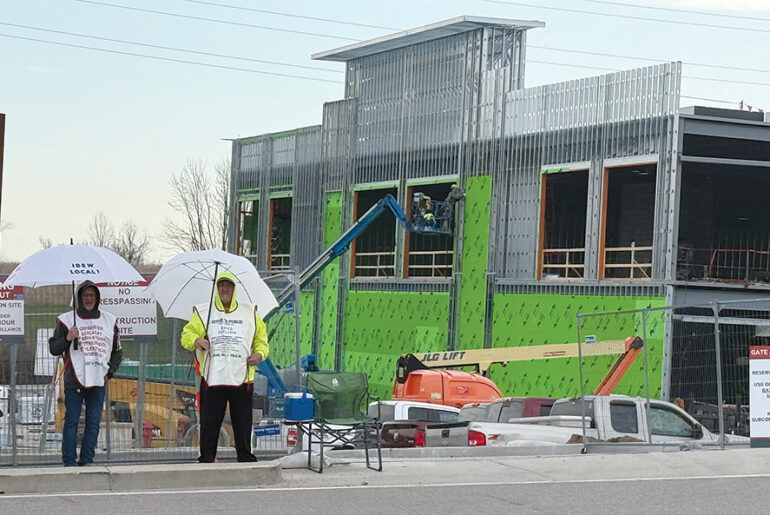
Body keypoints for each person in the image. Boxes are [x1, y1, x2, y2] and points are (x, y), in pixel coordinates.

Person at [181, 271, 269, 463]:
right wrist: (196, 340)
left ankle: (245, 458)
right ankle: (207, 458)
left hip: (242, 378)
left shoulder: (250, 313)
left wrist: (260, 354)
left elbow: (261, 339)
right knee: (210, 423)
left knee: (243, 423)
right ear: (216, 288)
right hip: (213, 378)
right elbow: (186, 335)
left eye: (228, 285)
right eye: (221, 285)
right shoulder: (204, 313)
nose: (225, 289)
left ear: (234, 288)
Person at [49, 280, 122, 467]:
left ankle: (87, 459)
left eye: (92, 295)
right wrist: (67, 338)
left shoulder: (110, 321)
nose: (89, 299)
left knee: (94, 422)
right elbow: (54, 349)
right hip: (74, 379)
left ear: (97, 298)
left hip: (99, 379)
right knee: (71, 421)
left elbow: (117, 352)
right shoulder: (66, 320)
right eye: (85, 295)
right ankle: (69, 460)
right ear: (79, 298)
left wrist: (110, 373)